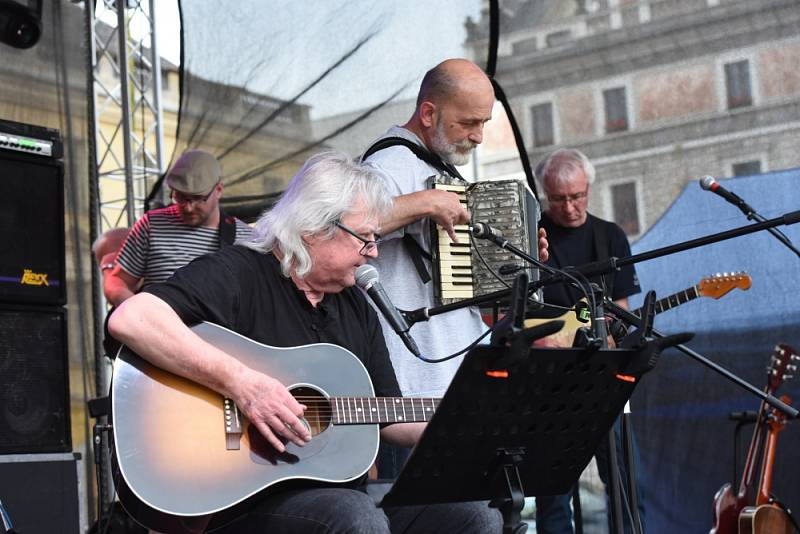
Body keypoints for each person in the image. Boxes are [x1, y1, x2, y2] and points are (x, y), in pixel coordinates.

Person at [108, 151, 502, 533]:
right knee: (355, 516)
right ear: (314, 229)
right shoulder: (240, 273)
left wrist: (464, 417)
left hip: (341, 504)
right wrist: (244, 385)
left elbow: (391, 416)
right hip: (241, 503)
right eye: (364, 238)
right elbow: (132, 318)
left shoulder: (357, 306)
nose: (374, 251)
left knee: (475, 516)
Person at [362, 58, 549, 477]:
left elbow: (471, 275)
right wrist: (424, 203)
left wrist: (520, 255)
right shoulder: (389, 164)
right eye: (469, 123)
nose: (479, 136)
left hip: (448, 381)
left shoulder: (438, 166)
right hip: (408, 394)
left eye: (484, 123)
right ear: (429, 113)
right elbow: (350, 226)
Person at [533, 148, 644, 534]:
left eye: (577, 196)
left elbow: (623, 312)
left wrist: (613, 335)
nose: (569, 207)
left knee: (628, 489)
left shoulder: (610, 236)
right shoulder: (534, 239)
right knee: (552, 499)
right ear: (545, 195)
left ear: (589, 189)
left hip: (601, 381)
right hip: (549, 384)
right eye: (559, 199)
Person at [104, 149, 252, 306]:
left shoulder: (246, 237)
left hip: (215, 329)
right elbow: (118, 281)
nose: (188, 207)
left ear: (218, 190)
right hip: (154, 327)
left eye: (197, 198)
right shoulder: (152, 224)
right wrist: (136, 311)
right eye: (180, 197)